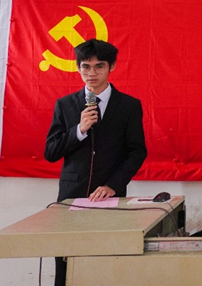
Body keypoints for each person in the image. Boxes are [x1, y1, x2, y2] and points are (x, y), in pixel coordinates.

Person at [44, 39, 147, 286]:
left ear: (111, 66)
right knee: (67, 260)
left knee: (106, 260)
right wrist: (79, 130)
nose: (92, 73)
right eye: (86, 67)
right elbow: (51, 152)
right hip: (71, 197)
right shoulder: (65, 104)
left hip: (109, 197)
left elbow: (137, 152)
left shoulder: (129, 105)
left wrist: (113, 184)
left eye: (99, 66)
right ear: (78, 67)